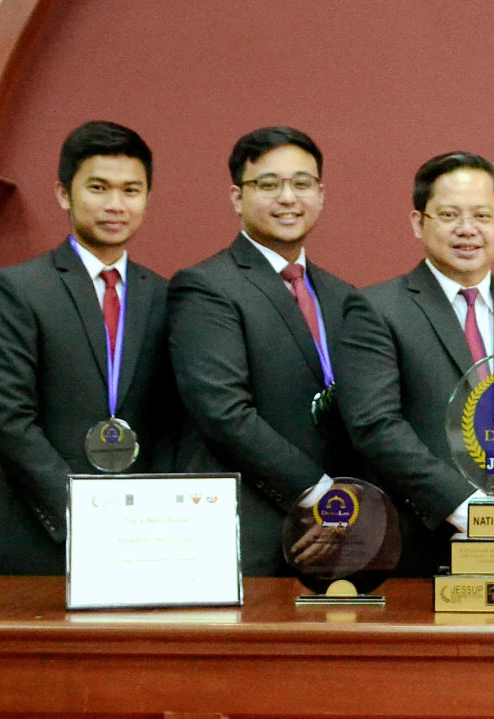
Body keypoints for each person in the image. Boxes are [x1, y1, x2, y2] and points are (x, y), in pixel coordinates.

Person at [336, 151, 494, 577]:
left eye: (482, 214)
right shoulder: (375, 309)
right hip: (415, 547)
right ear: (417, 222)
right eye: (448, 214)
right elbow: (375, 426)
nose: (467, 230)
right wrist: (468, 510)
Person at [0, 120, 180, 574]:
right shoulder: (19, 289)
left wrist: (153, 516)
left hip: (144, 538)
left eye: (131, 190)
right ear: (64, 194)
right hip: (41, 537)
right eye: (99, 188)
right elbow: (8, 422)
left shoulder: (169, 297)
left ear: (147, 198)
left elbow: (174, 423)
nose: (115, 205)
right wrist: (83, 513)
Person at [168, 126, 356, 577]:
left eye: (302, 184)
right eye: (268, 185)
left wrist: (346, 505)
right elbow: (223, 413)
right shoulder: (206, 287)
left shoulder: (342, 296)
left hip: (336, 539)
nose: (287, 198)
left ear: (321, 193)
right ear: (237, 197)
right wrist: (319, 496)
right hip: (246, 535)